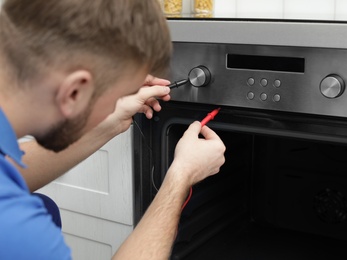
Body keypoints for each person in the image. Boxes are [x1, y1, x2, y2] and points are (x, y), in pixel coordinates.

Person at [0, 1, 226, 260]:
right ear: (74, 91)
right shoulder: (16, 230)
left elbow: (8, 170)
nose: (113, 107)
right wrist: (181, 176)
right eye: (115, 100)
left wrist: (109, 123)